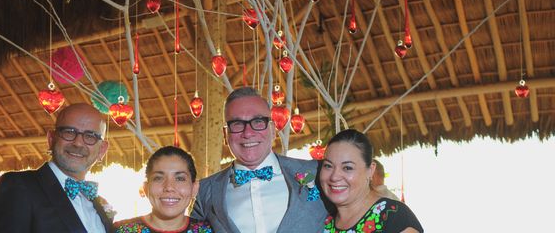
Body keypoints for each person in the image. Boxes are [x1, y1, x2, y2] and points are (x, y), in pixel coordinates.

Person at [191, 87, 327, 232]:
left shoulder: (316, 172)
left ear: (273, 130)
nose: (248, 133)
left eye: (258, 121)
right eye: (237, 124)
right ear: (226, 134)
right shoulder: (205, 190)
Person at [0, 103, 115, 233]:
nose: (78, 143)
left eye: (90, 136)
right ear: (51, 139)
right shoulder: (18, 186)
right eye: (69, 132)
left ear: (102, 150)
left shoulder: (97, 204)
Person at [319, 129, 423, 233]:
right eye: (328, 166)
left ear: (370, 170)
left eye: (347, 168)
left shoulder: (393, 216)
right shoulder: (323, 222)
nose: (334, 177)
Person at [114, 146, 212, 232]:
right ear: (146, 188)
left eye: (180, 178)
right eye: (158, 178)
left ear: (194, 188)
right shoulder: (120, 230)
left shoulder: (207, 231)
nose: (169, 187)